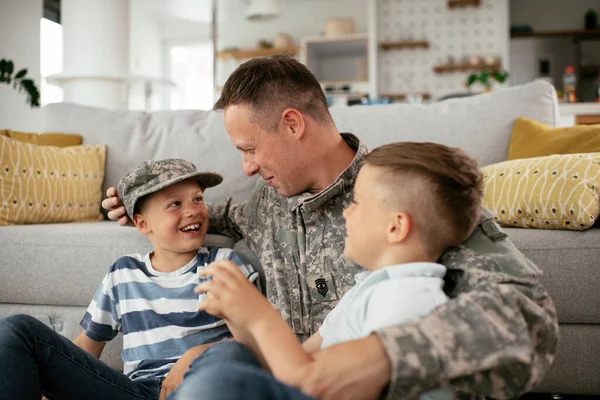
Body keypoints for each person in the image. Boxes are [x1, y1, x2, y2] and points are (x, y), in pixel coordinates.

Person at [102, 56, 559, 400]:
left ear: (293, 124)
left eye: (250, 148)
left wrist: (379, 357)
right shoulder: (267, 203)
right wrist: (141, 207)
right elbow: (213, 214)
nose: (245, 167)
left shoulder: (403, 193)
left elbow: (527, 316)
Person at [181, 142, 483, 400]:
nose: (346, 211)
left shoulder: (410, 298)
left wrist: (260, 316)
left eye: (357, 202)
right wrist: (236, 318)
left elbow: (316, 383)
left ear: (396, 227)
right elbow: (294, 363)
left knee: (219, 382)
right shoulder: (369, 288)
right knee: (223, 360)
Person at [0, 159, 260, 400]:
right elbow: (84, 352)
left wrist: (197, 355)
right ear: (142, 223)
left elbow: (257, 345)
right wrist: (54, 383)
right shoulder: (123, 272)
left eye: (198, 199)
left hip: (202, 386)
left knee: (229, 356)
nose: (193, 210)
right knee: (16, 330)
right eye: (175, 204)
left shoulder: (225, 264)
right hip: (134, 392)